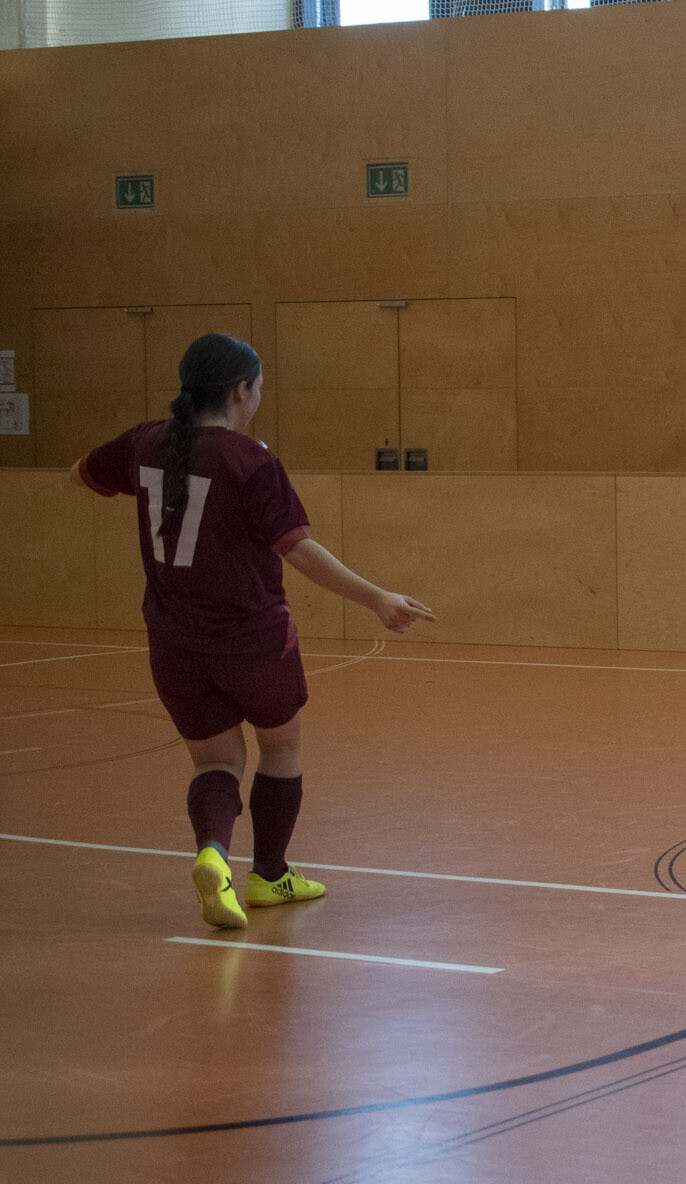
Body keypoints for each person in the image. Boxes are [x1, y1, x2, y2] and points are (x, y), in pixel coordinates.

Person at [73, 333, 434, 930]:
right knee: (280, 748)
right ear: (240, 390)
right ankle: (269, 875)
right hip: (253, 640)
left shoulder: (146, 442)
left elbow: (82, 474)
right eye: (260, 387)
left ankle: (213, 855)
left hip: (174, 643)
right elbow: (299, 550)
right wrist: (377, 598)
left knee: (215, 761)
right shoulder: (250, 461)